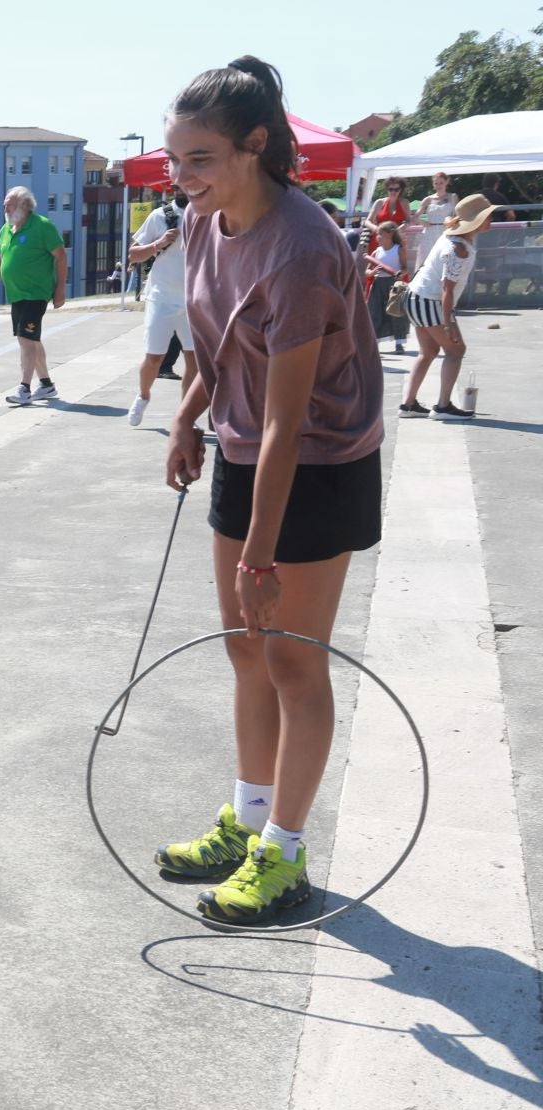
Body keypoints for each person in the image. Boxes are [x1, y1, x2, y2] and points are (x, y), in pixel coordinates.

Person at [156, 55, 385, 925]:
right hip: (246, 448)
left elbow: (293, 421)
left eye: (200, 160)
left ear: (256, 146)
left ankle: (283, 853)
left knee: (292, 659)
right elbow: (221, 348)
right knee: (242, 648)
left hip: (320, 462)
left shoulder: (302, 251)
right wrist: (186, 417)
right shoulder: (201, 223)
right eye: (177, 161)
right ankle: (248, 819)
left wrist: (259, 550)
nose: (183, 179)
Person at [400, 192, 499, 419]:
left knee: (428, 352)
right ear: (476, 221)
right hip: (428, 300)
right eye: (488, 217)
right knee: (456, 350)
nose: (491, 220)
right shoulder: (458, 249)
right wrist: (448, 324)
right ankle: (443, 407)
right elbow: (447, 289)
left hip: (414, 298)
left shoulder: (454, 239)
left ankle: (408, 405)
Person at [0, 186, 67, 404]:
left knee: (26, 338)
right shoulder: (7, 230)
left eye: (10, 203)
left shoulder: (42, 226)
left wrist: (60, 290)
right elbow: (1, 261)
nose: (5, 207)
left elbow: (61, 256)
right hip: (16, 294)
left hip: (36, 293)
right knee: (30, 339)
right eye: (5, 204)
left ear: (25, 206)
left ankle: (24, 388)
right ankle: (46, 384)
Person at [126, 186, 193, 424]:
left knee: (193, 359)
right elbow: (133, 254)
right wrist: (159, 243)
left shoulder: (209, 213)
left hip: (195, 300)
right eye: (179, 185)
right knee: (154, 357)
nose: (184, 187)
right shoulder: (161, 216)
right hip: (161, 296)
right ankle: (143, 396)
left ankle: (187, 413)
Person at [364, 221, 411, 357]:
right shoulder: (376, 251)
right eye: (377, 234)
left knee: (396, 312)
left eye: (380, 233)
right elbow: (367, 271)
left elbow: (405, 267)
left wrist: (400, 274)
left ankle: (399, 343)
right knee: (374, 312)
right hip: (378, 283)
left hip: (394, 284)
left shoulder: (398, 249)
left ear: (390, 234)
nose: (377, 236)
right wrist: (372, 273)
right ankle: (373, 343)